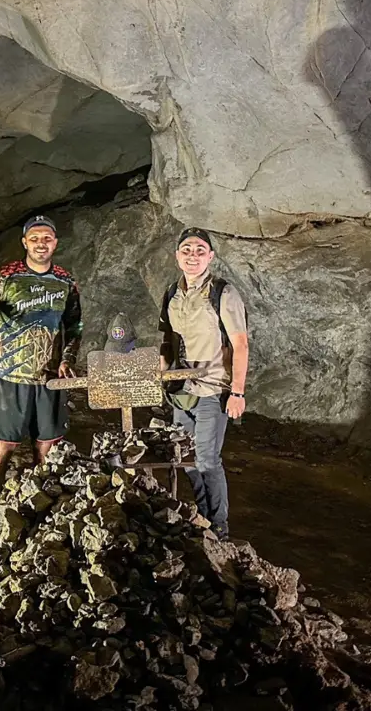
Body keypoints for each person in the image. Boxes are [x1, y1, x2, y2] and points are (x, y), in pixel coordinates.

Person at [0, 215, 82, 534]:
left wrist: (67, 358)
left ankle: (45, 516)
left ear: (55, 243)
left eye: (47, 238)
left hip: (50, 378)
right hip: (10, 375)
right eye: (35, 238)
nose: (41, 243)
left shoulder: (65, 281)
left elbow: (75, 326)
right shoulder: (6, 276)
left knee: (47, 449)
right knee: (2, 447)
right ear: (25, 242)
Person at [158, 227, 249, 540]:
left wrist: (237, 392)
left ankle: (219, 526)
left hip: (213, 388)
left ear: (210, 256)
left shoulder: (223, 293)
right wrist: (159, 376)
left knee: (207, 460)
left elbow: (240, 345)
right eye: (186, 250)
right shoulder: (172, 293)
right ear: (177, 256)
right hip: (181, 389)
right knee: (186, 460)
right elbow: (168, 342)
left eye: (199, 250)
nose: (192, 256)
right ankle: (203, 518)